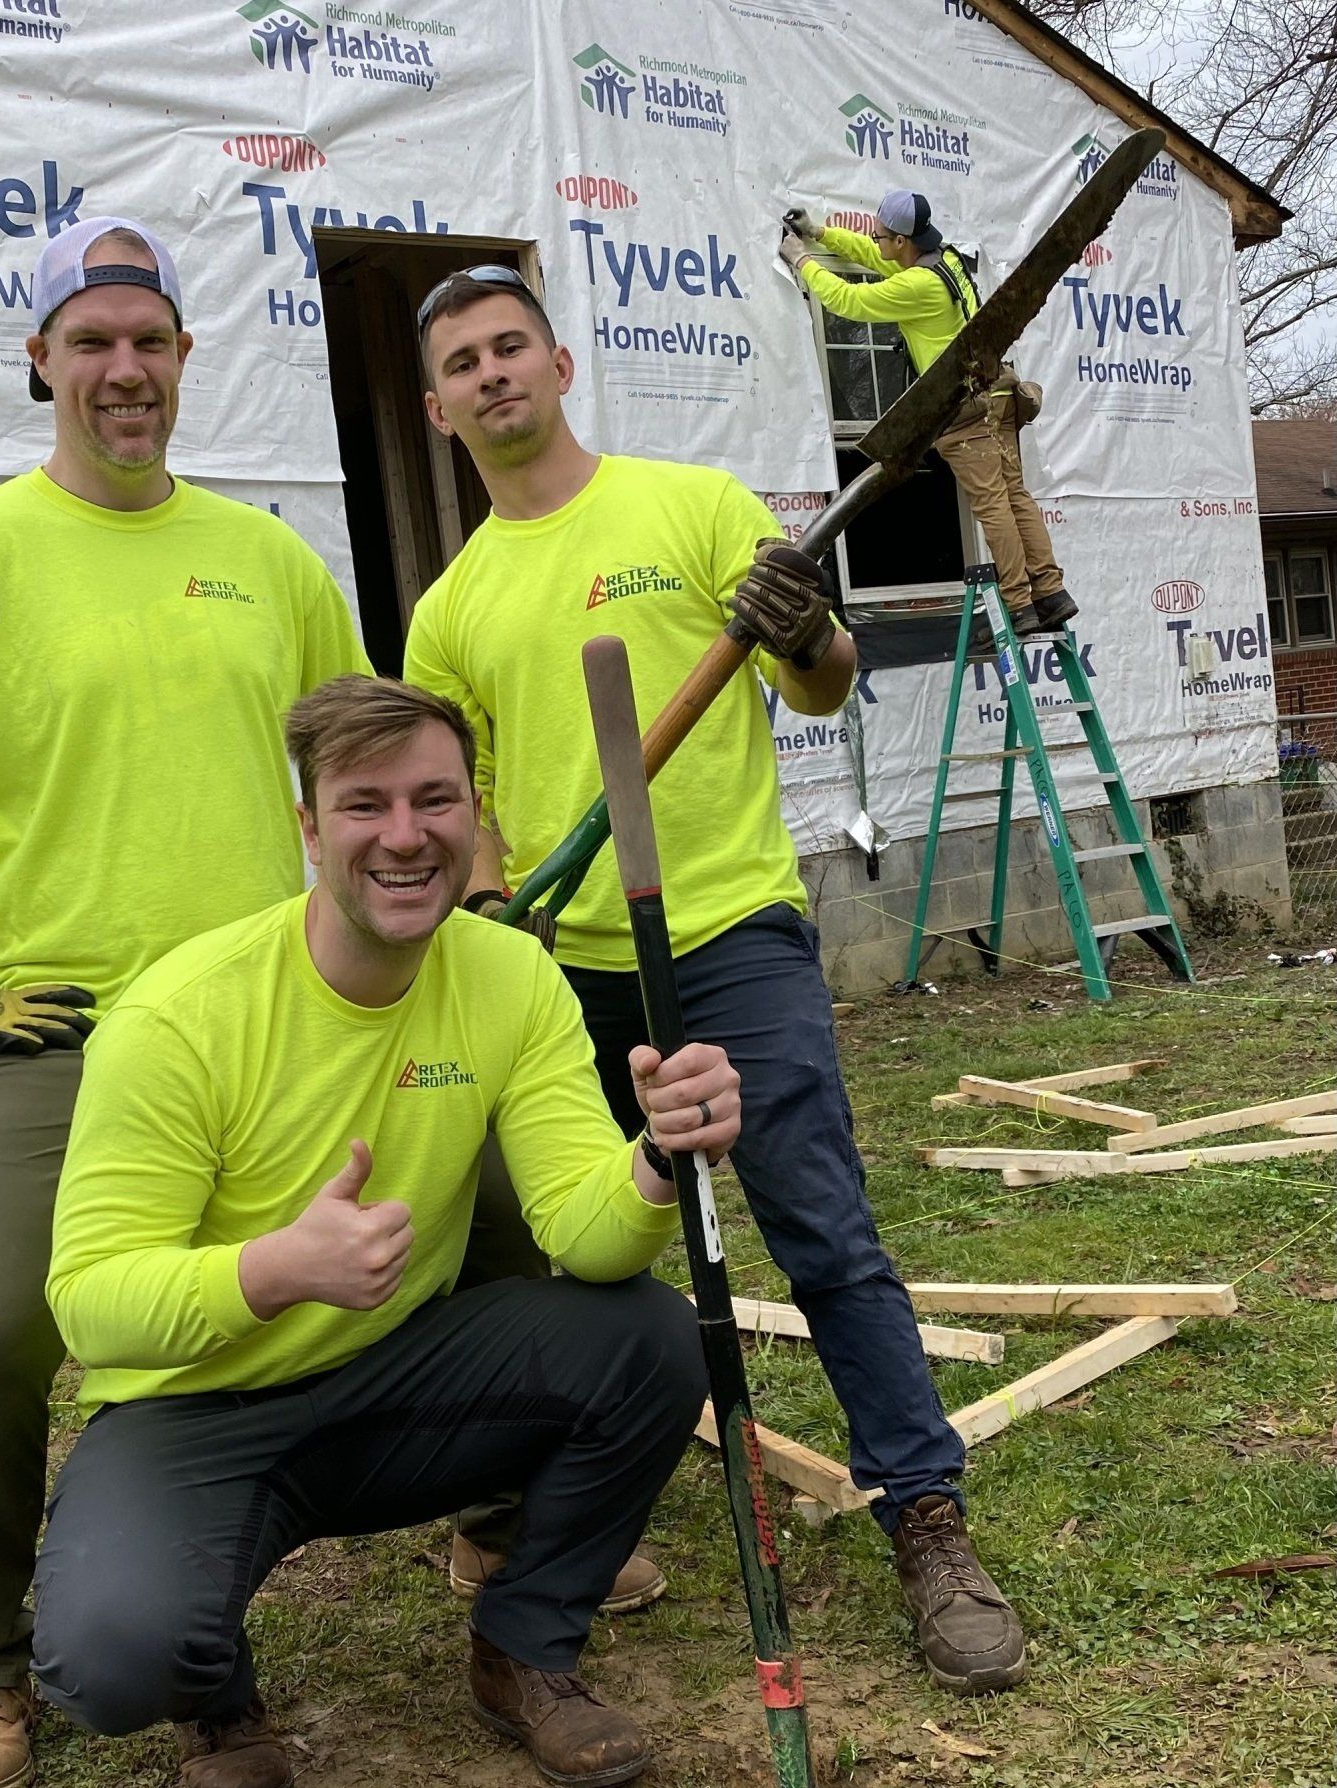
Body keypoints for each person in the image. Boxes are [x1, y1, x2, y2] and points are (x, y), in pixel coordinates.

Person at [0, 217, 371, 1788]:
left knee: (228, 1337)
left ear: (185, 361)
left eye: (150, 340)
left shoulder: (266, 563)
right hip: (68, 1032)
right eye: (92, 340)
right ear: (40, 359)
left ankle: (223, 1666)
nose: (124, 369)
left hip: (264, 1023)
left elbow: (358, 758)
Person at [404, 266, 1026, 1697]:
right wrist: (497, 900)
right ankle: (560, 1519)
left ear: (561, 363)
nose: (494, 374)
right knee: (577, 1247)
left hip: (730, 933)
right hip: (569, 966)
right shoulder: (450, 611)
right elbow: (473, 793)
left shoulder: (689, 507)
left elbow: (823, 680)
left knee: (819, 1221)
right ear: (439, 409)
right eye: (464, 363)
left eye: (512, 347)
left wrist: (806, 625)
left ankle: (925, 1513)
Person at [31, 677, 742, 1788]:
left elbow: (585, 1236)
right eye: (365, 806)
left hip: (398, 1380)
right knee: (114, 1662)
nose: (406, 837)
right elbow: (91, 1302)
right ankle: (211, 1687)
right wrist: (273, 1269)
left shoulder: (510, 975)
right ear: (309, 829)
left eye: (435, 799)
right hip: (198, 1413)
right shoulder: (178, 1019)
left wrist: (659, 1157)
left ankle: (524, 1646)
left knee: (653, 1341)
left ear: (474, 814)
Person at [780, 190, 1075, 641]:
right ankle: (1051, 594)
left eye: (881, 237)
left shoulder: (917, 287)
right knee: (1016, 497)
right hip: (998, 395)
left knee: (994, 506)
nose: (875, 243)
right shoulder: (945, 260)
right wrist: (820, 233)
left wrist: (802, 260)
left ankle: (1020, 607)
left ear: (902, 241)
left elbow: (848, 302)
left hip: (966, 411)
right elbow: (874, 257)